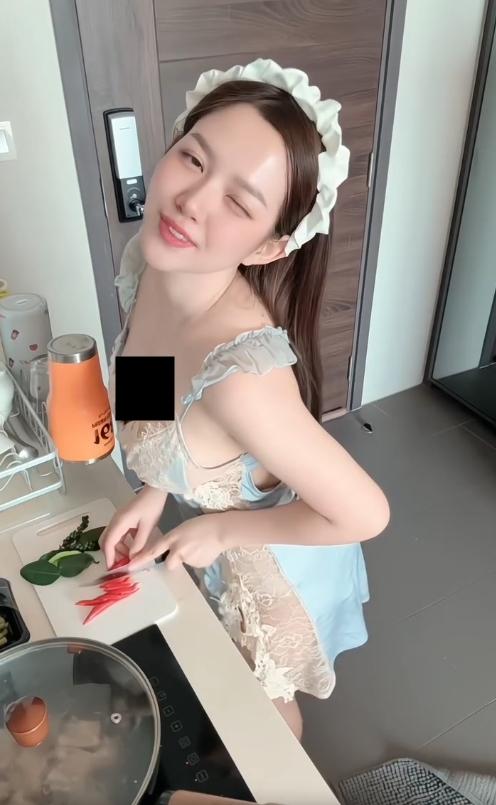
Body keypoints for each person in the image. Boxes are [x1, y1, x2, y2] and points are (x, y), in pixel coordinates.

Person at [102, 59, 390, 741]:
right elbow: (150, 368)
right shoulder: (155, 260)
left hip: (273, 565)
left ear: (268, 246)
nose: (191, 202)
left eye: (238, 202)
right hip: (202, 534)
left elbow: (365, 512)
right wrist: (152, 489)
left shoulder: (241, 377)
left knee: (265, 712)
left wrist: (223, 531)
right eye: (193, 159)